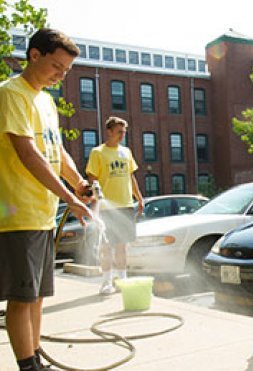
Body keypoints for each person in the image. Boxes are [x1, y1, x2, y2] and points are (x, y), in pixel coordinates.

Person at [0, 28, 94, 371]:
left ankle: (36, 356)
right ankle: (27, 365)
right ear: (34, 55)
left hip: (42, 214)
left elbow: (56, 151)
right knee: (21, 297)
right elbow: (28, 153)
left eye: (66, 70)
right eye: (57, 66)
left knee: (37, 296)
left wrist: (80, 183)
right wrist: (69, 197)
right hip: (18, 213)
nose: (61, 75)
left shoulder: (46, 100)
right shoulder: (12, 94)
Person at [86, 116, 144, 295]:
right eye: (119, 132)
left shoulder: (126, 152)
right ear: (109, 131)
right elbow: (92, 178)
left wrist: (139, 198)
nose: (122, 136)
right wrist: (95, 203)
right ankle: (106, 282)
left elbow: (130, 176)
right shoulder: (98, 152)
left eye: (124, 133)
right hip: (106, 208)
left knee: (122, 246)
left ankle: (122, 280)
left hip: (126, 205)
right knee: (106, 246)